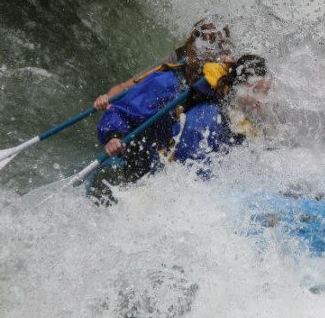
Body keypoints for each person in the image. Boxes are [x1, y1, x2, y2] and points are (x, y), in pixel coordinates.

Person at [87, 18, 235, 204]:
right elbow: (122, 109)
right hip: (148, 159)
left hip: (189, 173)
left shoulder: (228, 80)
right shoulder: (166, 81)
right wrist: (114, 136)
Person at [165, 54, 272, 175]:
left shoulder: (241, 116)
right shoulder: (205, 119)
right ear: (238, 86)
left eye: (266, 91)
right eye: (255, 90)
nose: (262, 100)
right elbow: (191, 175)